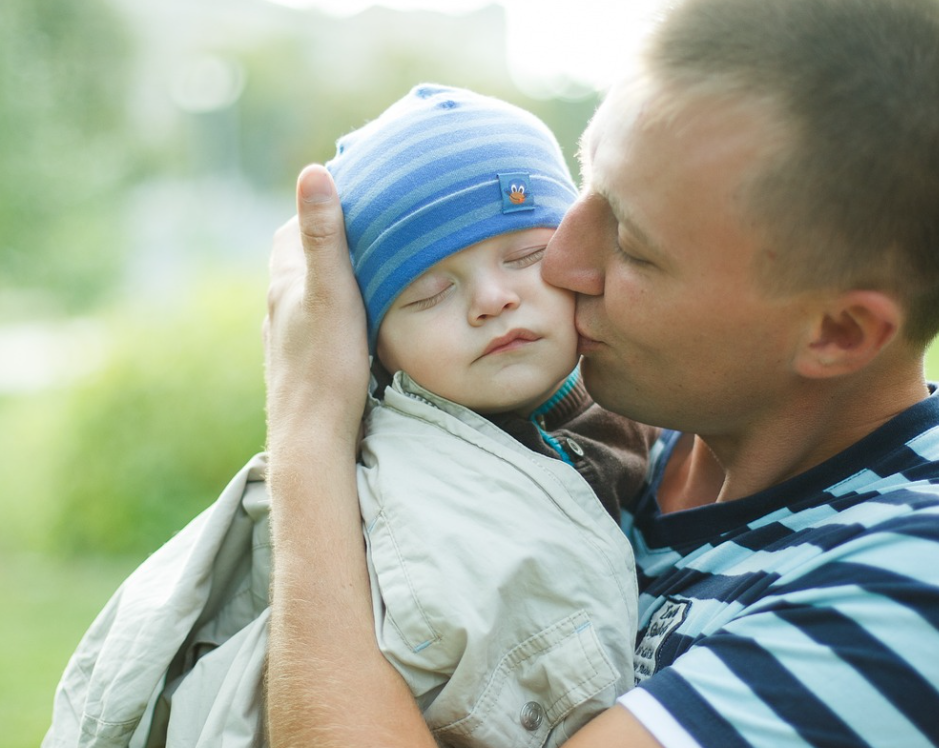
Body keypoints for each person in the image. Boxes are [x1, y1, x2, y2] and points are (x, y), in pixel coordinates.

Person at [263, 1, 939, 747]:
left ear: (837, 332)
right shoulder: (613, 446)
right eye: (587, 190)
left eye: (634, 245)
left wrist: (308, 419)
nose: (566, 263)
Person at [43, 86, 656, 748]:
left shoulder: (647, 404)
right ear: (371, 348)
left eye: (526, 256)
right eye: (428, 292)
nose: (492, 298)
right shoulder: (390, 495)